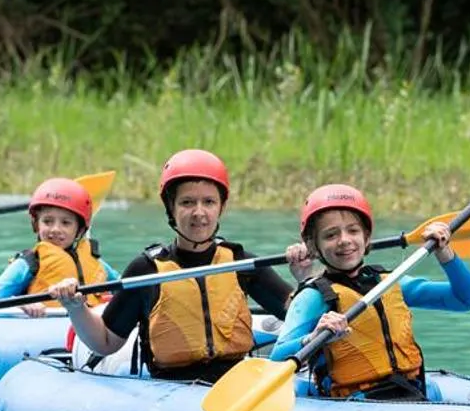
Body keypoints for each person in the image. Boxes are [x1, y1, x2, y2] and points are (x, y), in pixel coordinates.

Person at [53, 149, 294, 381]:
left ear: (221, 207)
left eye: (209, 202)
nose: (199, 212)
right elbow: (104, 342)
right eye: (187, 202)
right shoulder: (147, 270)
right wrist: (75, 307)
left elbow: (297, 314)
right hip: (171, 387)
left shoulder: (242, 263)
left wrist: (303, 276)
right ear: (171, 208)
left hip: (234, 386)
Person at [270, 184, 470, 400]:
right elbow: (276, 359)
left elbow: (467, 299)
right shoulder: (312, 297)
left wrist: (444, 253)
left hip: (411, 391)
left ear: (367, 237)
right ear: (313, 246)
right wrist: (314, 338)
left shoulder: (392, 283)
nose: (344, 240)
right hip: (353, 405)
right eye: (331, 235)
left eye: (353, 230)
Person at [0, 177, 118, 316]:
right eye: (47, 221)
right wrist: (21, 303)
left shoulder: (97, 263)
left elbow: (125, 289)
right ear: (36, 224)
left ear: (80, 230)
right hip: (46, 327)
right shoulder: (29, 263)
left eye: (65, 223)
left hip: (93, 327)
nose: (55, 229)